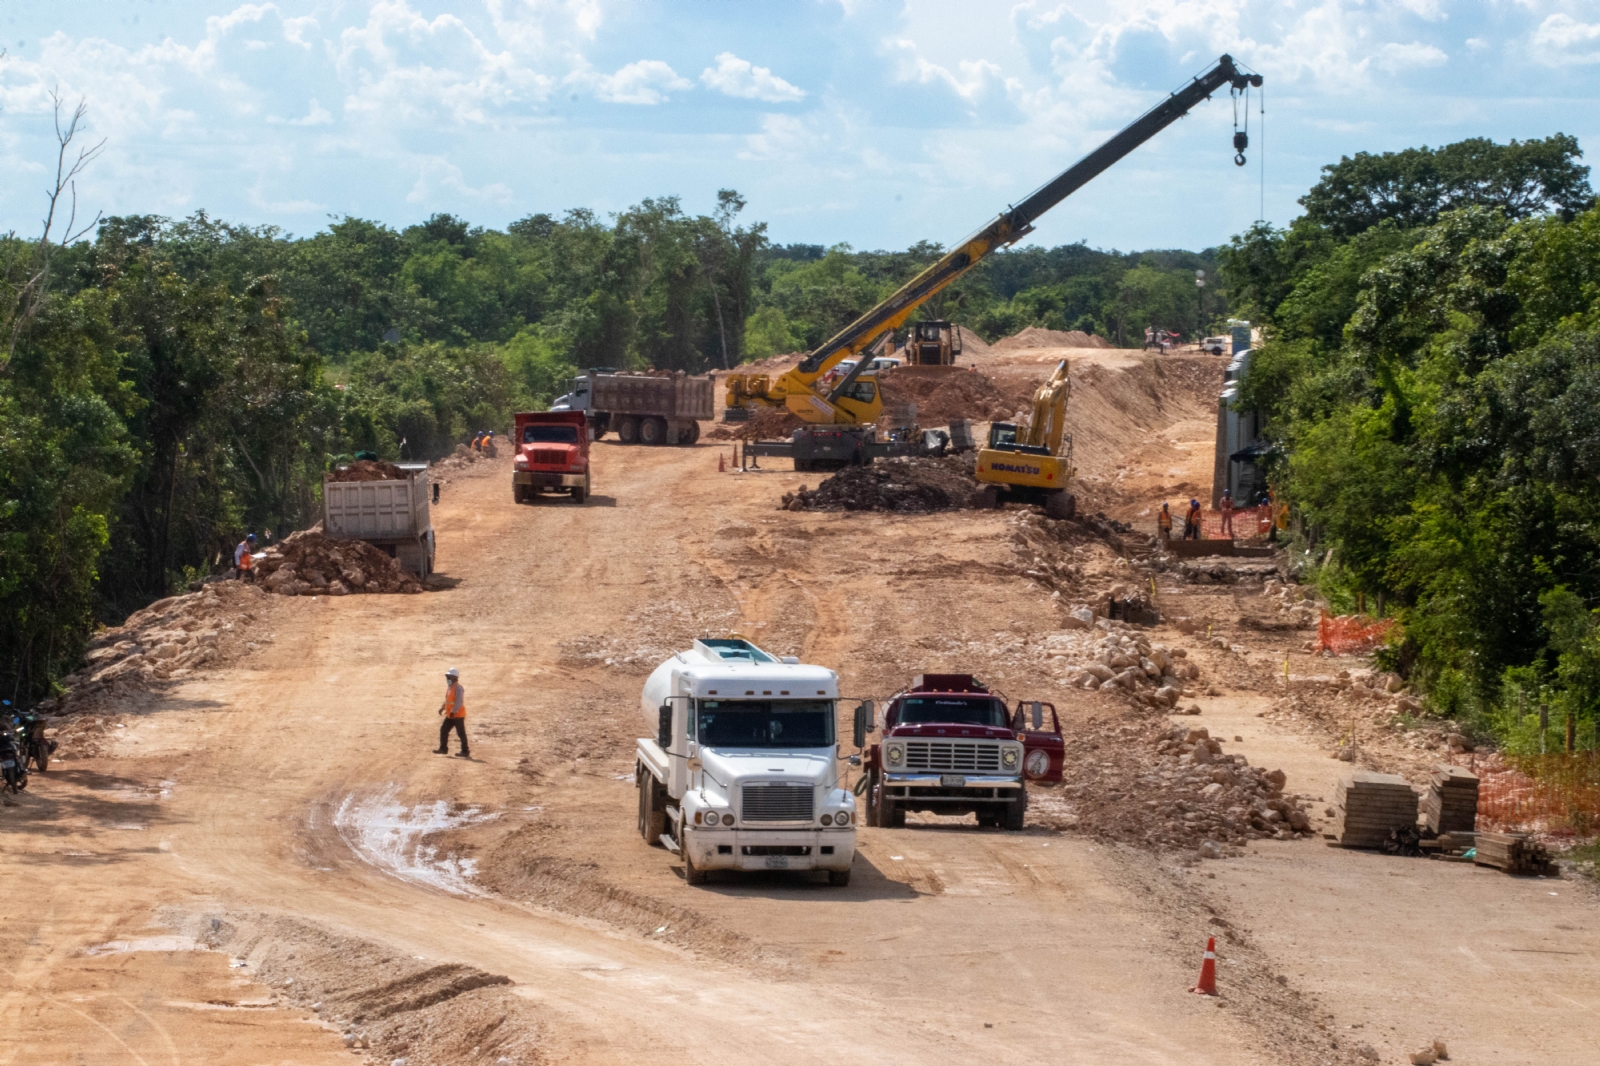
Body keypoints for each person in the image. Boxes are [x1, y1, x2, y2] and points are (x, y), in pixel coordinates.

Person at [436, 667, 470, 758]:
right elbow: (447, 700)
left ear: (455, 678)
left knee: (461, 733)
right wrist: (442, 708)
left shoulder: (458, 688)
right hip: (451, 715)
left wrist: (453, 711)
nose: (447, 679)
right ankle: (443, 748)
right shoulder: (450, 687)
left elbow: (459, 702)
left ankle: (465, 751)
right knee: (444, 730)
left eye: (449, 677)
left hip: (458, 715)